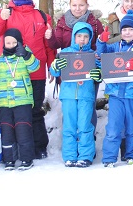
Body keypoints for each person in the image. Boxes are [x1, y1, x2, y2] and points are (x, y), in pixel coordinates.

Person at [0, 0, 55, 160]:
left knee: (34, 110)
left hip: (36, 70)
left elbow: (48, 45)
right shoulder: (5, 13)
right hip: (11, 73)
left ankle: (39, 147)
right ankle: (14, 149)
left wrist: (51, 65)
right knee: (12, 112)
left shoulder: (42, 16)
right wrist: (1, 17)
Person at [97, 10, 133, 167]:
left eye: (131, 29)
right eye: (124, 29)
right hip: (116, 94)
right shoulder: (114, 46)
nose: (127, 32)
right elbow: (100, 53)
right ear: (121, 31)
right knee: (114, 127)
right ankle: (109, 158)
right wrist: (101, 41)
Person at [49, 22, 101, 168]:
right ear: (74, 37)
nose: (82, 39)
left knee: (85, 125)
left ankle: (85, 155)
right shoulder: (65, 52)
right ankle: (70, 155)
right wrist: (55, 66)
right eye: (79, 36)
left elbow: (101, 72)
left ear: (90, 38)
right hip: (69, 95)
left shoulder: (93, 55)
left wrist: (98, 75)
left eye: (86, 36)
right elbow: (54, 71)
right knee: (69, 126)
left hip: (85, 95)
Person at [0, 28, 39, 171]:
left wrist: (27, 55)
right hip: (5, 102)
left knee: (23, 130)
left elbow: (36, 67)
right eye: (7, 42)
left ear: (20, 43)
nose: (10, 45)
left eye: (14, 42)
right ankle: (9, 159)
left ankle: (26, 159)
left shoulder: (24, 57)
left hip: (22, 100)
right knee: (7, 131)